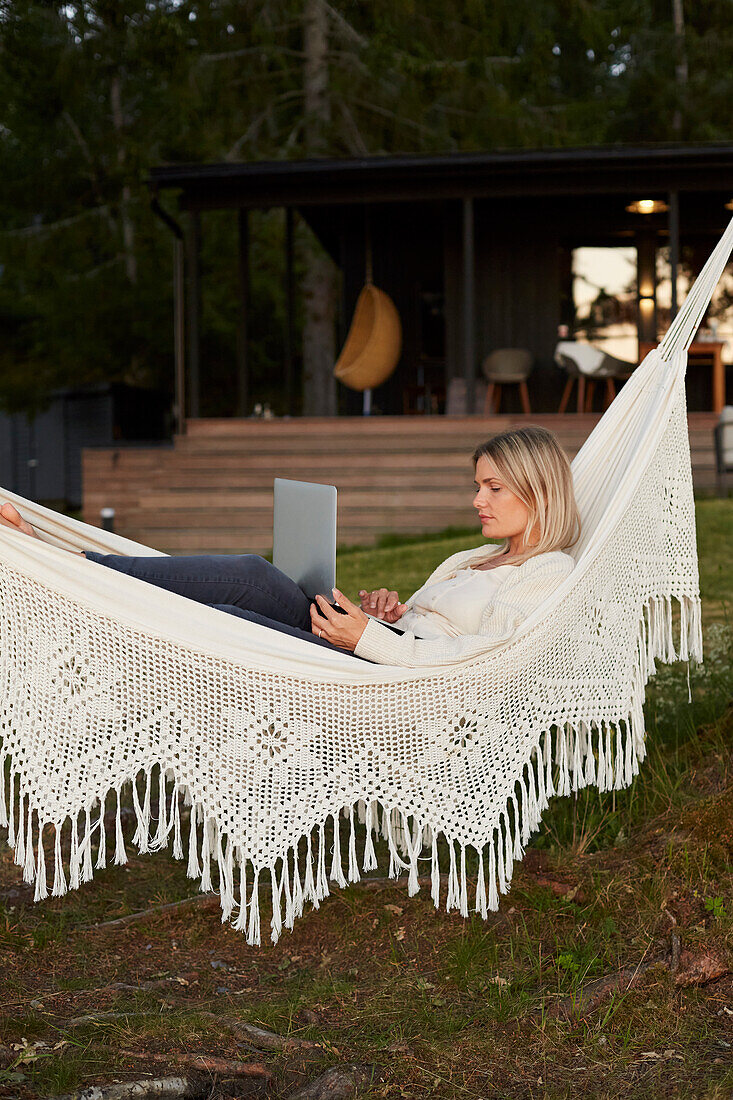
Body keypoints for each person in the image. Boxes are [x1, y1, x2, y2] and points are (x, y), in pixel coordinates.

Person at [0, 426, 579, 668]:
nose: (478, 500)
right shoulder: (472, 558)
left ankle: (75, 591)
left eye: (493, 487)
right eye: (477, 485)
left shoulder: (547, 570)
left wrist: (368, 638)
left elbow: (486, 659)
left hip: (386, 676)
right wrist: (385, 614)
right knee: (255, 574)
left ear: (537, 489)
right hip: (378, 646)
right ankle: (76, 565)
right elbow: (427, 625)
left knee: (232, 619)